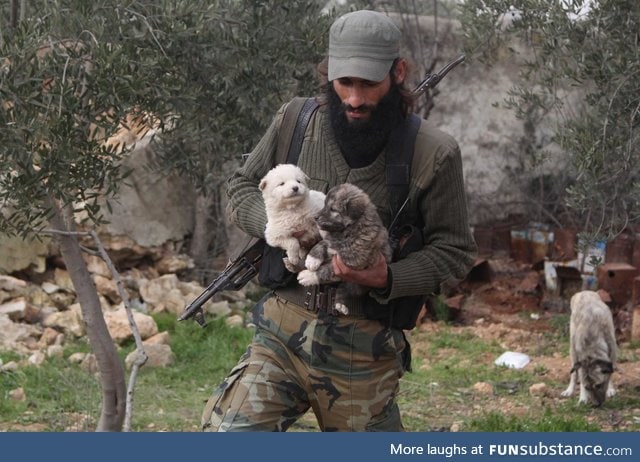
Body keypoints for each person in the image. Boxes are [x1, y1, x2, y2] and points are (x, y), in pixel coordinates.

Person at [201, 9, 477, 432]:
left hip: (363, 347)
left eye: (368, 84)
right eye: (344, 82)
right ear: (328, 73)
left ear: (398, 72)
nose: (353, 98)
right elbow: (241, 187)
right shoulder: (294, 121)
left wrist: (388, 277)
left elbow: (455, 251)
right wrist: (277, 227)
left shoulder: (433, 153)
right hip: (280, 331)